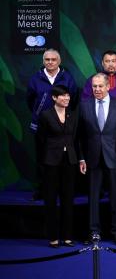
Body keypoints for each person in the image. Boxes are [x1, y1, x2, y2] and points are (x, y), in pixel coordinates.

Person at [79, 73, 116, 246]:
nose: (97, 89)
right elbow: (80, 136)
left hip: (114, 158)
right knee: (93, 198)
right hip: (92, 158)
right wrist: (82, 158)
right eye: (94, 86)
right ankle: (94, 232)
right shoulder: (84, 105)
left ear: (108, 86)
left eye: (100, 86)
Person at [27, 48, 78, 200]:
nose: (50, 62)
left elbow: (73, 98)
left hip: (62, 126)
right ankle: (43, 190)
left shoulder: (67, 77)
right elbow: (30, 100)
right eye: (47, 60)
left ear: (59, 61)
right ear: (43, 61)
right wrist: (39, 114)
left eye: (53, 59)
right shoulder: (35, 78)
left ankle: (63, 191)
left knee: (64, 160)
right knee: (42, 158)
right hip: (42, 125)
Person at [36, 85, 79, 248]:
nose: (66, 98)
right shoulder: (45, 115)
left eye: (67, 96)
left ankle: (67, 236)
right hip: (51, 162)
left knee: (68, 200)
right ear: (54, 98)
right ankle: (53, 237)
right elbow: (40, 140)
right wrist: (43, 161)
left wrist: (79, 159)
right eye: (62, 96)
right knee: (51, 200)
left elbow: (76, 139)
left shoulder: (73, 115)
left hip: (70, 161)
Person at [81, 50, 116, 115]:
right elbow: (85, 101)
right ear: (102, 63)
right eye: (107, 61)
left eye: (113, 61)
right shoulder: (93, 80)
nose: (110, 64)